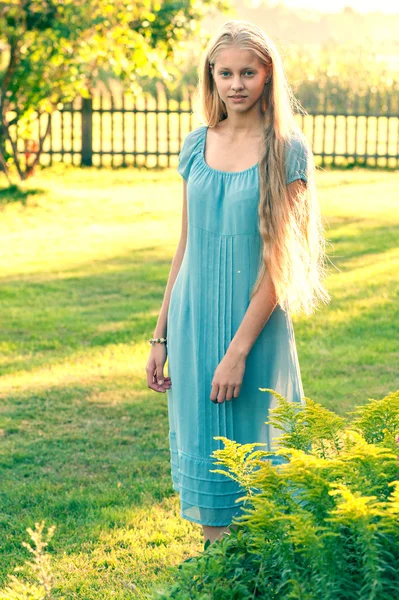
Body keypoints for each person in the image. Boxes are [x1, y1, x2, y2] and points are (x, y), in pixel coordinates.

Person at [145, 20, 330, 546]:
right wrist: (160, 336)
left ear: (268, 75)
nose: (236, 84)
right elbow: (185, 247)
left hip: (254, 326)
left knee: (258, 445)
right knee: (205, 443)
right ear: (211, 77)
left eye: (248, 72)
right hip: (192, 320)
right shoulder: (195, 145)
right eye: (225, 73)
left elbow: (280, 264)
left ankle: (259, 564)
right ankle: (216, 560)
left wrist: (238, 351)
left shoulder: (286, 151)